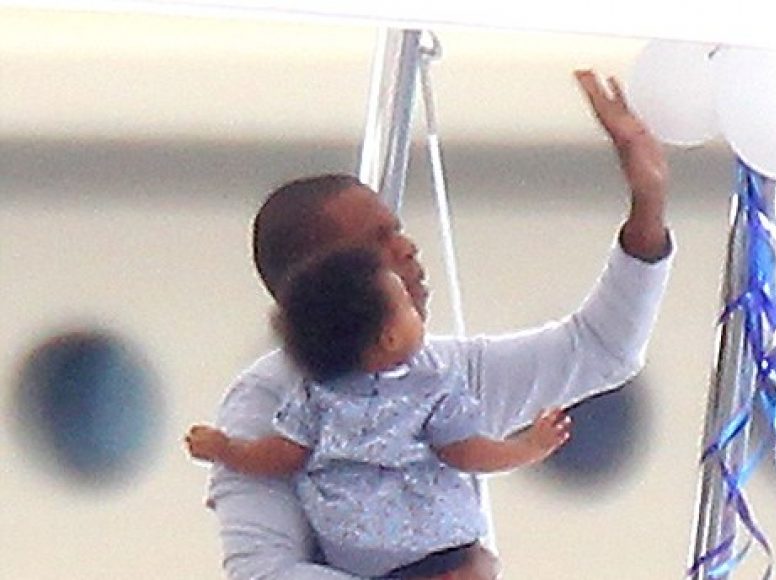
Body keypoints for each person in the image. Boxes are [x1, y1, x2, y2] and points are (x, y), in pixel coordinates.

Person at [206, 69, 673, 580]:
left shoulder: (445, 370)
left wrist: (648, 204)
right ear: (319, 279)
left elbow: (603, 350)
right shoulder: (265, 399)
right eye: (378, 242)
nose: (407, 248)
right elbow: (262, 573)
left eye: (398, 231)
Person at [188, 248, 571, 578]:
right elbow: (466, 452)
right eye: (407, 305)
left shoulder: (314, 397)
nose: (417, 311)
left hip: (355, 554)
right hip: (436, 544)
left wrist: (226, 449)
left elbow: (281, 455)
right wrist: (528, 448)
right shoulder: (431, 385)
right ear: (389, 338)